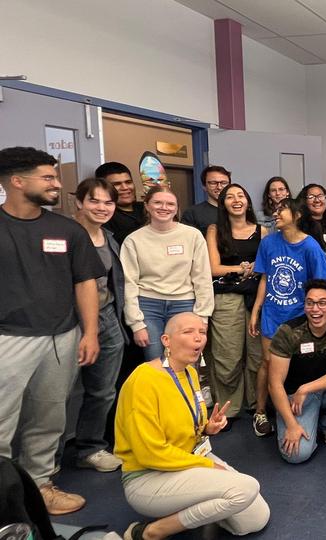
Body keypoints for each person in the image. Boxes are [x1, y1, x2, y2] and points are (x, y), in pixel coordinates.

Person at [0, 147, 104, 515]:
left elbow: (85, 283)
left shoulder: (65, 229)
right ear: (16, 181)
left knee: (49, 418)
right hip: (7, 339)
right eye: (47, 177)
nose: (57, 184)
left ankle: (40, 486)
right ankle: (5, 499)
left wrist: (89, 332)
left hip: (62, 338)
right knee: (1, 421)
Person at [115, 313, 269, 539]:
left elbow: (184, 425)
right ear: (166, 340)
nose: (198, 338)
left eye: (202, 332)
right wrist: (207, 466)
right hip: (147, 476)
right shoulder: (143, 381)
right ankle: (150, 532)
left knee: (255, 518)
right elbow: (150, 454)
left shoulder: (190, 373)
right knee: (246, 488)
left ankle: (190, 506)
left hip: (183, 462)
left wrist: (207, 428)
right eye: (188, 332)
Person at [249, 197, 326, 438]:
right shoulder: (268, 243)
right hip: (272, 314)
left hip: (298, 317)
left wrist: (316, 317)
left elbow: (321, 286)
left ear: (296, 215)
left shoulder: (311, 247)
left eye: (282, 209)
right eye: (275, 209)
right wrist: (256, 310)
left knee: (297, 364)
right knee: (267, 363)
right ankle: (261, 411)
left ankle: (301, 409)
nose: (276, 213)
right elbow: (264, 277)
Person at [267, 280, 326, 463]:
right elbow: (274, 384)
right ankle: (302, 422)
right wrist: (292, 424)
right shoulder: (288, 332)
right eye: (310, 303)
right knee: (295, 455)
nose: (315, 309)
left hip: (323, 389)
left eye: (322, 303)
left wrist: (307, 388)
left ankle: (325, 425)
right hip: (294, 397)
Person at [120, 186, 214, 363]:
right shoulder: (133, 240)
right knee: (155, 361)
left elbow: (202, 278)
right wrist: (136, 324)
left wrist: (202, 317)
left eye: (170, 204)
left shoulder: (192, 236)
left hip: (184, 304)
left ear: (177, 208)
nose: (164, 207)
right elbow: (128, 283)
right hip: (148, 306)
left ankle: (187, 392)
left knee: (186, 360)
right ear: (147, 206)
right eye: (158, 202)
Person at [71, 178, 127, 473]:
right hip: (68, 320)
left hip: (107, 317)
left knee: (103, 390)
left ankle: (90, 448)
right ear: (79, 201)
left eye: (108, 202)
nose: (102, 208)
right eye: (94, 201)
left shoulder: (108, 237)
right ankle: (44, 465)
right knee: (56, 394)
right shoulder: (64, 234)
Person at [206, 184, 266, 428]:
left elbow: (267, 265)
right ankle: (228, 409)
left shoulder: (264, 231)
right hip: (226, 298)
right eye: (229, 197)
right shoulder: (215, 230)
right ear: (223, 204)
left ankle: (256, 404)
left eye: (241, 195)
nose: (236, 200)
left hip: (256, 298)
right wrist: (243, 268)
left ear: (248, 201)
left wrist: (254, 269)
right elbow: (213, 268)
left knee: (256, 355)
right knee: (226, 355)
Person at [98, 161, 146, 245]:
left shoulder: (147, 207)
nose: (125, 187)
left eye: (128, 182)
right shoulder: (104, 216)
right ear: (103, 188)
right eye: (116, 184)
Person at [181, 165, 230, 234]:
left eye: (223, 183)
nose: (219, 187)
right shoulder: (192, 213)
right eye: (213, 183)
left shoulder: (238, 210)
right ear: (204, 187)